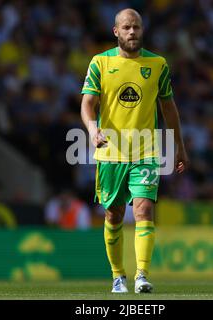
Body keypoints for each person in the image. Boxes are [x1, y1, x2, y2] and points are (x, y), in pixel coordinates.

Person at [80, 8, 188, 293]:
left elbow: (168, 108)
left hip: (146, 152)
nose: (132, 32)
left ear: (142, 30)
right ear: (116, 31)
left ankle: (142, 274)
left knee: (144, 209)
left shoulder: (158, 64)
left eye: (136, 27)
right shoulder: (100, 63)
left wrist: (179, 146)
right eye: (126, 28)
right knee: (113, 215)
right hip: (110, 153)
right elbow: (88, 103)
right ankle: (118, 276)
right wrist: (92, 129)